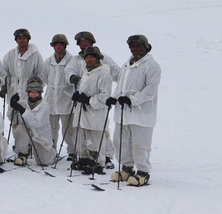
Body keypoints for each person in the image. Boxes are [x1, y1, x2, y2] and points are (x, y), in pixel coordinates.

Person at [110, 35, 161, 187]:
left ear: (146, 46)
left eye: (138, 46)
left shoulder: (152, 66)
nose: (135, 48)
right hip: (123, 112)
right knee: (120, 142)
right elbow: (120, 85)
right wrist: (114, 97)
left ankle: (143, 173)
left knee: (140, 144)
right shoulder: (127, 64)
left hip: (141, 114)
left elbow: (150, 91)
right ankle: (126, 168)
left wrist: (132, 100)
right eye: (132, 46)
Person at [70, 46, 112, 175]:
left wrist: (88, 100)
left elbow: (104, 95)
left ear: (98, 58)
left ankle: (98, 163)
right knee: (81, 133)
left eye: (92, 57)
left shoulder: (103, 74)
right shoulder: (86, 72)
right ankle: (84, 159)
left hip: (95, 111)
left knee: (95, 137)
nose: (89, 59)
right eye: (87, 57)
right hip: (83, 110)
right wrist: (77, 95)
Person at [44, 34, 82, 161]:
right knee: (51, 127)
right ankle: (52, 149)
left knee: (69, 129)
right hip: (51, 99)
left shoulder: (72, 60)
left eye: (61, 44)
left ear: (65, 45)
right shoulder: (48, 61)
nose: (58, 46)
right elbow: (43, 77)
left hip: (66, 99)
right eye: (56, 44)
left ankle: (72, 151)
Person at [9, 77, 54, 167]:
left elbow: (36, 122)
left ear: (40, 93)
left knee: (43, 162)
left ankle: (52, 152)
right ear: (28, 93)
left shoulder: (45, 106)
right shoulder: (23, 103)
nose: (33, 94)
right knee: (19, 129)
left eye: (36, 92)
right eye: (31, 92)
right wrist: (12, 104)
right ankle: (23, 154)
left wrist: (22, 110)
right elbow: (11, 117)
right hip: (27, 131)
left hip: (40, 135)